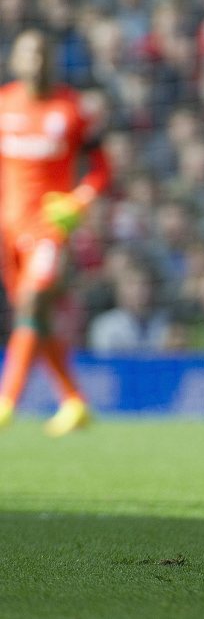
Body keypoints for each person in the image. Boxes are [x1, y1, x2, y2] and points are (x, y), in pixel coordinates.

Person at [0, 29, 111, 436]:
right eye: (29, 54)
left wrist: (77, 203)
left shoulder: (72, 108)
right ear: (15, 61)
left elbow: (101, 169)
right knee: (35, 319)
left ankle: (6, 400)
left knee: (32, 304)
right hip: (8, 230)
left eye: (44, 54)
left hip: (49, 229)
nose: (37, 61)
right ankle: (74, 401)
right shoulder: (3, 104)